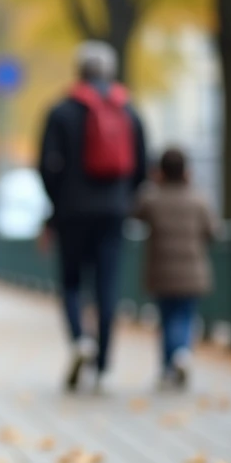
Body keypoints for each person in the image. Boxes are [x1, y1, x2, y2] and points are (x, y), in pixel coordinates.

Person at [39, 41, 147, 392]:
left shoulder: (62, 111)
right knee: (107, 285)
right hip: (114, 212)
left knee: (71, 281)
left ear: (79, 71)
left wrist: (58, 203)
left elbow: (46, 166)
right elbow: (143, 166)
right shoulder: (129, 111)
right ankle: (102, 365)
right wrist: (124, 199)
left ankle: (79, 341)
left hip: (72, 211)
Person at [134, 147, 217, 389]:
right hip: (192, 271)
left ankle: (169, 366)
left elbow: (135, 214)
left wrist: (153, 183)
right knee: (185, 316)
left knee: (167, 318)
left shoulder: (152, 198)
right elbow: (213, 231)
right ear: (186, 171)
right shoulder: (199, 199)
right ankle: (181, 353)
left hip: (161, 272)